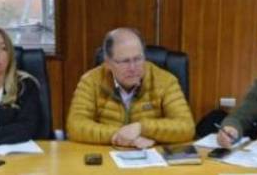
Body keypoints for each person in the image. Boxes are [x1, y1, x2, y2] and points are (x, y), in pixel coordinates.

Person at [66, 28, 194, 147]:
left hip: (151, 158)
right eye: (125, 61)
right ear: (108, 63)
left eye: (138, 59)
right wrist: (123, 136)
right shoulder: (91, 81)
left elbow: (186, 127)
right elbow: (75, 126)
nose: (133, 68)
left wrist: (141, 128)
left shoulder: (165, 81)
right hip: (107, 156)